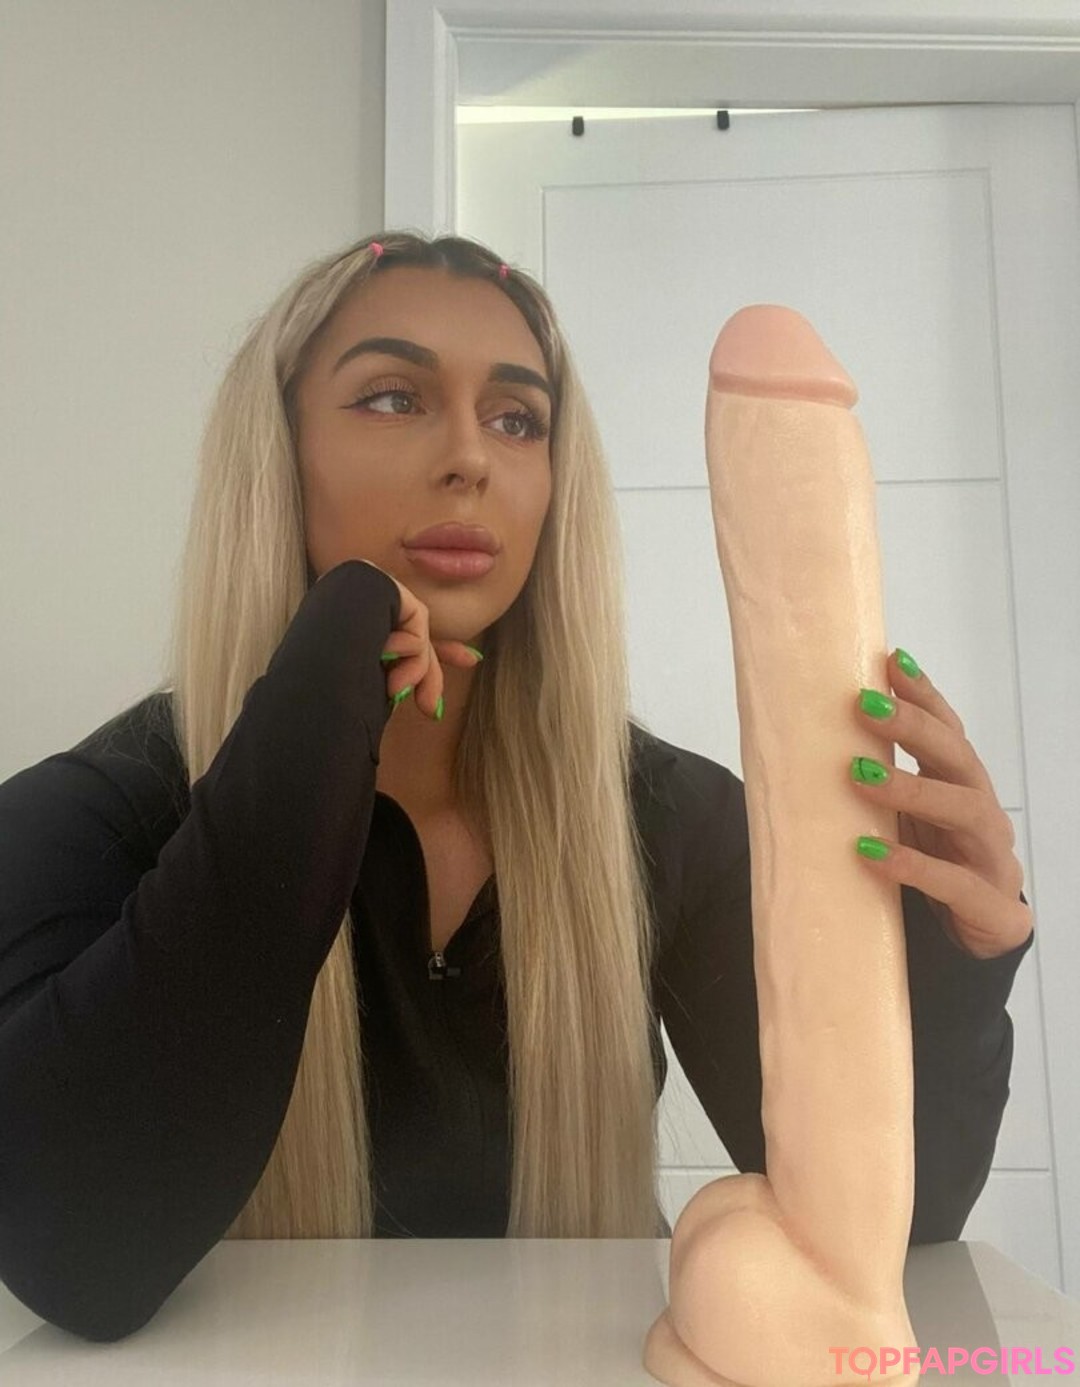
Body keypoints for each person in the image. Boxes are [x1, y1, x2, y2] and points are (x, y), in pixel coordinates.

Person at [0, 232, 1034, 1343]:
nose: (470, 458)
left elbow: (905, 1231)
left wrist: (960, 963)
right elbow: (78, 1252)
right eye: (392, 397)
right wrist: (318, 689)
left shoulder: (667, 818)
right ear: (279, 455)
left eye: (516, 419)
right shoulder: (101, 812)